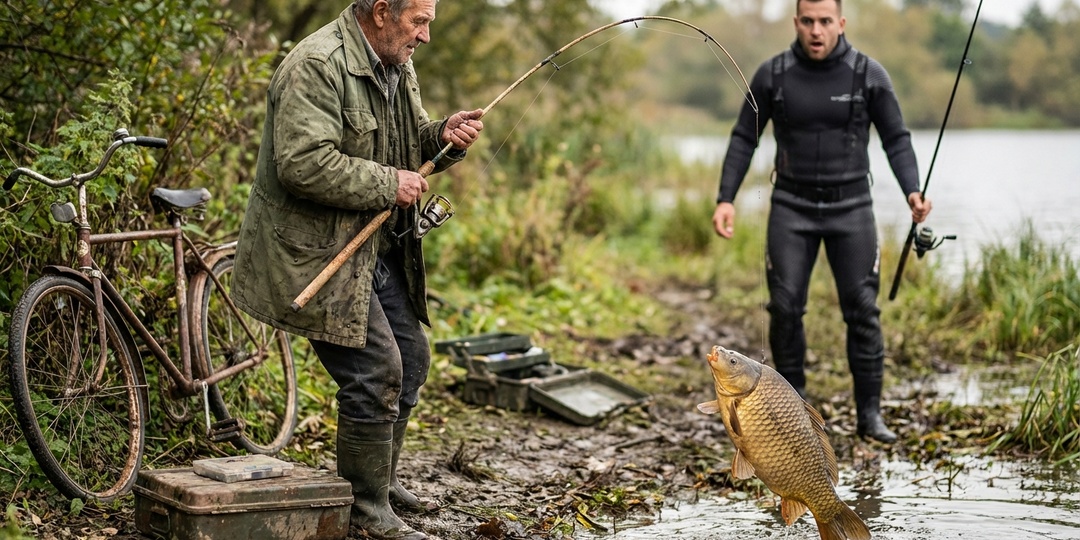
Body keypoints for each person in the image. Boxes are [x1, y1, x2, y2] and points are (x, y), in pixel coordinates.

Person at [231, 1, 483, 538]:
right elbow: (300, 163)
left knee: (412, 358)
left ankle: (380, 481)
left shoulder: (395, 59)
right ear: (382, 11)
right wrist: (387, 184)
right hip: (314, 254)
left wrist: (445, 136)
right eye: (420, 21)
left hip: (373, 251)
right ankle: (366, 509)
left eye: (429, 22)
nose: (427, 36)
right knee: (376, 371)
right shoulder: (316, 64)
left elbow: (408, 142)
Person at [711, 0, 931, 444]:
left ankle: (870, 417)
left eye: (825, 21)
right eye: (808, 21)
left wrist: (913, 188)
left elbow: (896, 139)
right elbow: (743, 138)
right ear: (796, 23)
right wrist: (725, 198)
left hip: (852, 207)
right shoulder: (772, 75)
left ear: (841, 23)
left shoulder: (869, 75)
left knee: (863, 311)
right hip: (792, 207)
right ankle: (794, 416)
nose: (816, 30)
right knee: (786, 308)